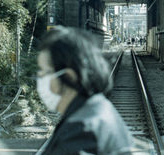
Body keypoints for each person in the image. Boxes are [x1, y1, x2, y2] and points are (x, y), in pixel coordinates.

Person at [35, 26, 133, 155]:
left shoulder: (81, 131)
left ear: (69, 76)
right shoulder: (97, 108)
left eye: (44, 72)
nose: (39, 78)